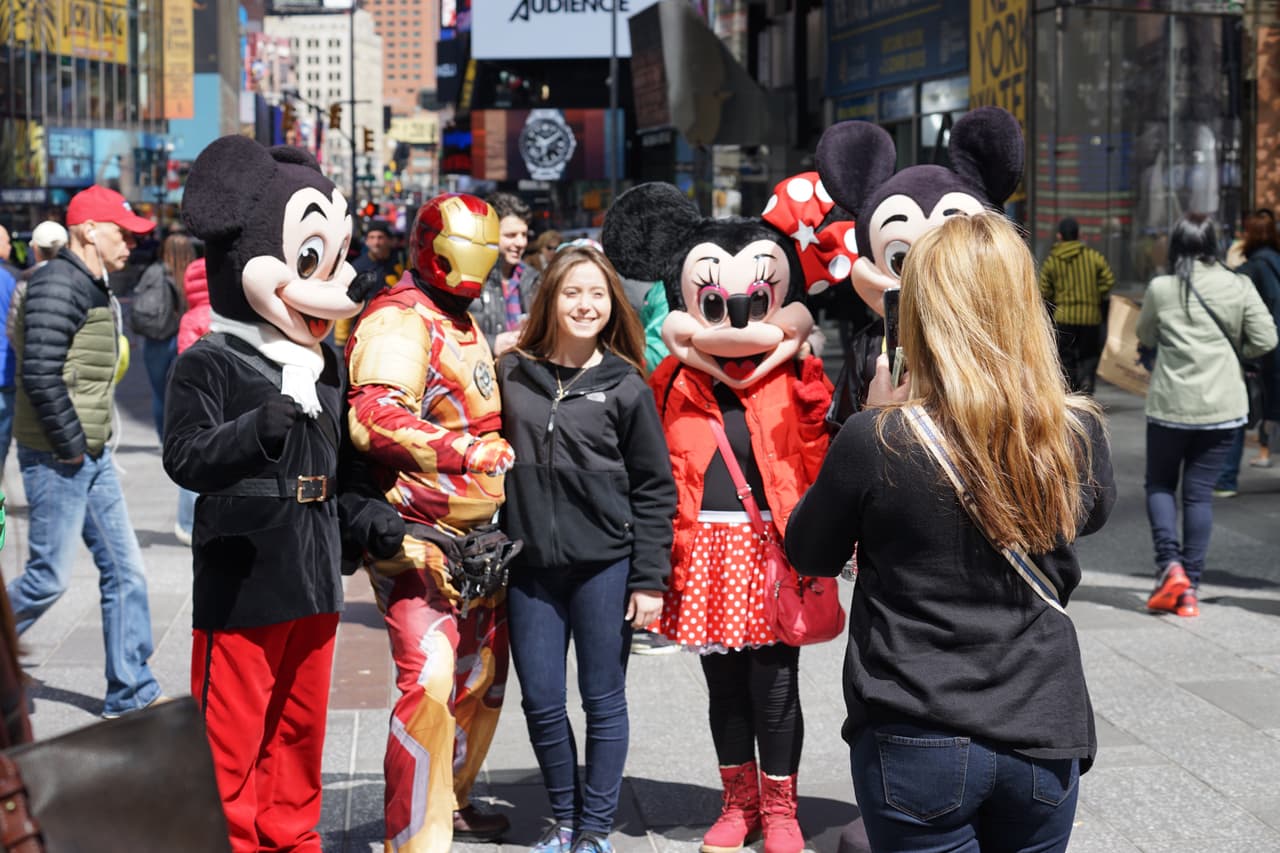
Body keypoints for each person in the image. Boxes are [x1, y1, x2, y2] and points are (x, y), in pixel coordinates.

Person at [786, 212, 1116, 853]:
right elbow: (1087, 518)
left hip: (916, 723)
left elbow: (810, 550)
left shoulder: (878, 437)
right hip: (1043, 725)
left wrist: (878, 414)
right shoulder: (1077, 431)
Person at [346, 193, 516, 852]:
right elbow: (375, 416)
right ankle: (414, 836)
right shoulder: (398, 320)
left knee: (484, 678)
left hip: (484, 538)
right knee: (432, 682)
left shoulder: (463, 317)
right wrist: (466, 451)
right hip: (418, 535)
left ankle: (454, 795)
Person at [496, 245, 676, 853]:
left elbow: (655, 486)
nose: (586, 304)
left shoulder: (625, 384)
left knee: (603, 700)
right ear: (550, 298)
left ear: (612, 304)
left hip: (606, 567)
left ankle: (596, 829)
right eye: (573, 292)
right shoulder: (512, 373)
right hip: (529, 572)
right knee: (542, 701)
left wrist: (650, 578)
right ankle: (565, 818)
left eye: (598, 294)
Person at [6, 184, 164, 719]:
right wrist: (72, 445)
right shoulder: (59, 283)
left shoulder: (90, 283)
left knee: (126, 572)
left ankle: (132, 691)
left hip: (86, 453)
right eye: (123, 233)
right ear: (88, 231)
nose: (132, 244)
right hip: (60, 454)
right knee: (47, 578)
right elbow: (40, 372)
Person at [1137, 213, 1277, 617]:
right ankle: (1190, 589)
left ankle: (1170, 566)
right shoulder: (1238, 284)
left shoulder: (1162, 288)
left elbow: (1145, 335)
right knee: (1199, 495)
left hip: (1170, 406)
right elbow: (1266, 337)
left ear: (1178, 244)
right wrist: (1238, 355)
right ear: (1214, 243)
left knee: (1161, 485)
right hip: (1222, 408)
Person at [1215, 211, 1280, 495]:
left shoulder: (1252, 269)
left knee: (1240, 409)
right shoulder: (1275, 260)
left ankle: (1227, 477)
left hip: (1271, 351)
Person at [1039, 217, 1116, 394]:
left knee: (1066, 357)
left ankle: (1071, 388)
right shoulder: (1093, 257)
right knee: (1088, 355)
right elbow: (1108, 280)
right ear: (1079, 235)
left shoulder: (1052, 261)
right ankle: (1087, 383)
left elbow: (1044, 289)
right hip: (1090, 317)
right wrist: (1095, 294)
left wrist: (1056, 297)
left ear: (1059, 236)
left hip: (1064, 317)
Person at [135, 232, 194, 439]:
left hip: (157, 338)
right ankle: (183, 435)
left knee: (160, 393)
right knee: (185, 393)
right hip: (188, 337)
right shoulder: (193, 271)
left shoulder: (153, 272)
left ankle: (164, 439)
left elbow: (139, 301)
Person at [172, 254, 211, 545]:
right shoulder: (230, 315)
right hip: (226, 395)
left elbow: (185, 356)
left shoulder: (190, 317)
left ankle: (186, 523)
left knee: (195, 458)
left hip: (198, 395)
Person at [476, 191, 540, 356]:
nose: (520, 243)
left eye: (524, 235)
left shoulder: (534, 279)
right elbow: (452, 336)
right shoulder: (471, 282)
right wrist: (492, 344)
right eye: (511, 235)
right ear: (489, 235)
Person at [334, 221, 404, 347]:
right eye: (372, 238)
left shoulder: (400, 262)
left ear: (389, 241)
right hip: (366, 333)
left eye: (380, 237)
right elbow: (347, 303)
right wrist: (341, 338)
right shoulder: (358, 267)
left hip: (395, 331)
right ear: (366, 242)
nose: (376, 242)